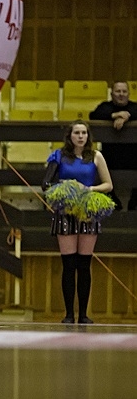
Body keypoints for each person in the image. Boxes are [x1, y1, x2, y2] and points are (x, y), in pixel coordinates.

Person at [42, 121, 114, 325]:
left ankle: (83, 314)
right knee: (69, 264)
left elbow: (108, 185)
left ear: (88, 136)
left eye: (84, 133)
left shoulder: (96, 156)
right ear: (70, 136)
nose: (81, 136)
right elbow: (46, 183)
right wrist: (66, 186)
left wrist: (88, 189)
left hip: (88, 213)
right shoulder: (59, 156)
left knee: (84, 265)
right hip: (66, 212)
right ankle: (68, 314)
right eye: (77, 133)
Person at [89, 81, 137, 210]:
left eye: (124, 91)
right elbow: (93, 115)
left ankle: (134, 203)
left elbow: (134, 111)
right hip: (110, 156)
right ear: (111, 94)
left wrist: (127, 116)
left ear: (128, 93)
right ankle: (114, 203)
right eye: (118, 91)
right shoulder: (105, 107)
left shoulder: (134, 107)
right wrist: (114, 115)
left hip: (133, 156)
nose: (121, 94)